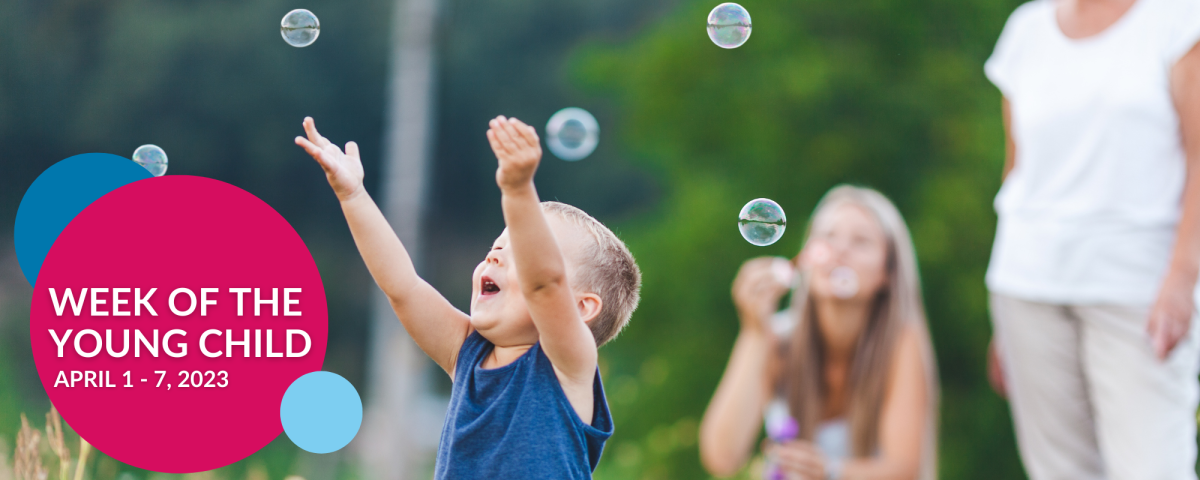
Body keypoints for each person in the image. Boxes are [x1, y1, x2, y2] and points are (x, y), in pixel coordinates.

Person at [294, 115, 641, 478]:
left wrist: (518, 190)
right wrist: (353, 196)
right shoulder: (467, 353)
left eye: (520, 251)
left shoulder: (568, 365)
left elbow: (545, 285)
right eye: (496, 246)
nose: (494, 256)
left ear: (581, 307)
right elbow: (402, 286)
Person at [982, 0, 1200, 477]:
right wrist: (1006, 320)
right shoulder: (1027, 29)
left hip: (1136, 289)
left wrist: (1184, 279)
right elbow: (1019, 169)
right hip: (1027, 285)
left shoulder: (1179, 20)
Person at [699, 186, 939, 480]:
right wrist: (754, 332)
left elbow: (905, 470)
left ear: (887, 273)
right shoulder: (778, 340)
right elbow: (722, 457)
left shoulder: (901, 342)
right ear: (805, 258)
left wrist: (830, 472)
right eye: (827, 236)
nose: (839, 250)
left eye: (861, 241)